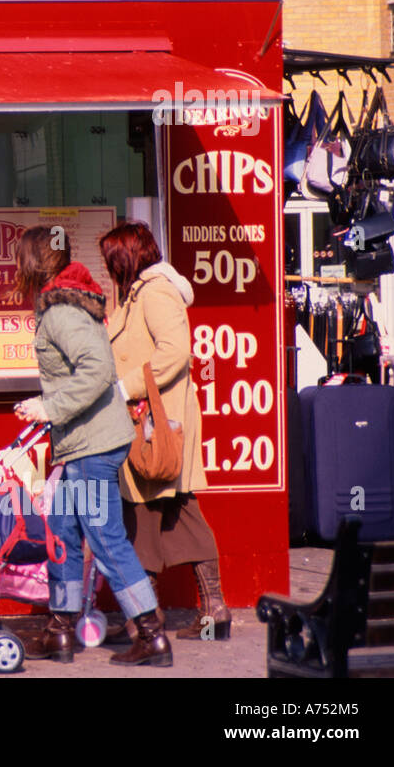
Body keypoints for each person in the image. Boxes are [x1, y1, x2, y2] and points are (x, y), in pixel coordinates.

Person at [12, 225, 171, 666]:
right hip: (82, 443)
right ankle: (60, 629)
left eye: (20, 258)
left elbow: (97, 371)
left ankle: (152, 635)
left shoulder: (62, 313)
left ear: (34, 262)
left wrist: (49, 408)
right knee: (61, 533)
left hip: (91, 447)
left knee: (105, 540)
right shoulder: (67, 303)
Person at [100, 221, 230, 641]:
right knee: (165, 510)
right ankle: (202, 612)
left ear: (125, 257)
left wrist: (126, 386)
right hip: (150, 420)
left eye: (111, 259)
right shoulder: (134, 293)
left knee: (143, 511)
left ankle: (147, 620)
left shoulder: (154, 291)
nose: (107, 268)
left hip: (158, 422)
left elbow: (174, 352)